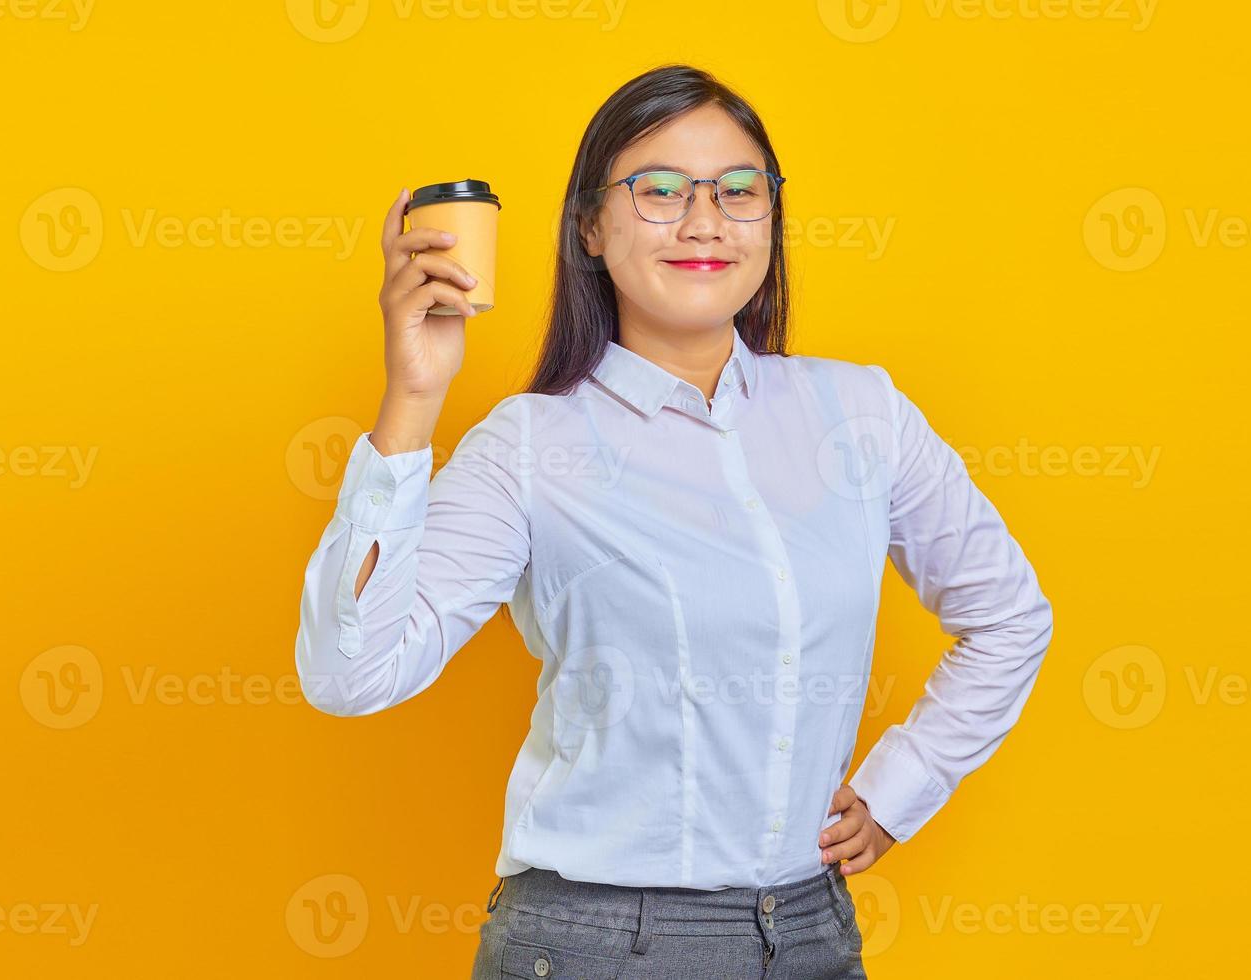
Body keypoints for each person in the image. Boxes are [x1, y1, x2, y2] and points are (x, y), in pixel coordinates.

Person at [294, 63, 1053, 980]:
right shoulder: (533, 445)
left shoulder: (860, 413)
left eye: (739, 191)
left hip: (813, 934)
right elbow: (351, 672)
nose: (704, 221)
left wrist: (904, 788)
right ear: (589, 227)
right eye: (658, 190)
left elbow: (1011, 615)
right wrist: (413, 398)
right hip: (599, 947)